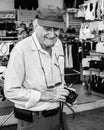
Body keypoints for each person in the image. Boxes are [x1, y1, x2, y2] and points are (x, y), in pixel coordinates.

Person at [4, 5, 70, 130]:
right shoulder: (21, 50)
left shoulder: (58, 44)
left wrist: (64, 92)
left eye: (56, 29)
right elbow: (10, 91)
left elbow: (58, 76)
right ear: (35, 26)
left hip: (57, 115)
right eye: (46, 29)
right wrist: (48, 96)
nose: (52, 35)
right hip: (33, 121)